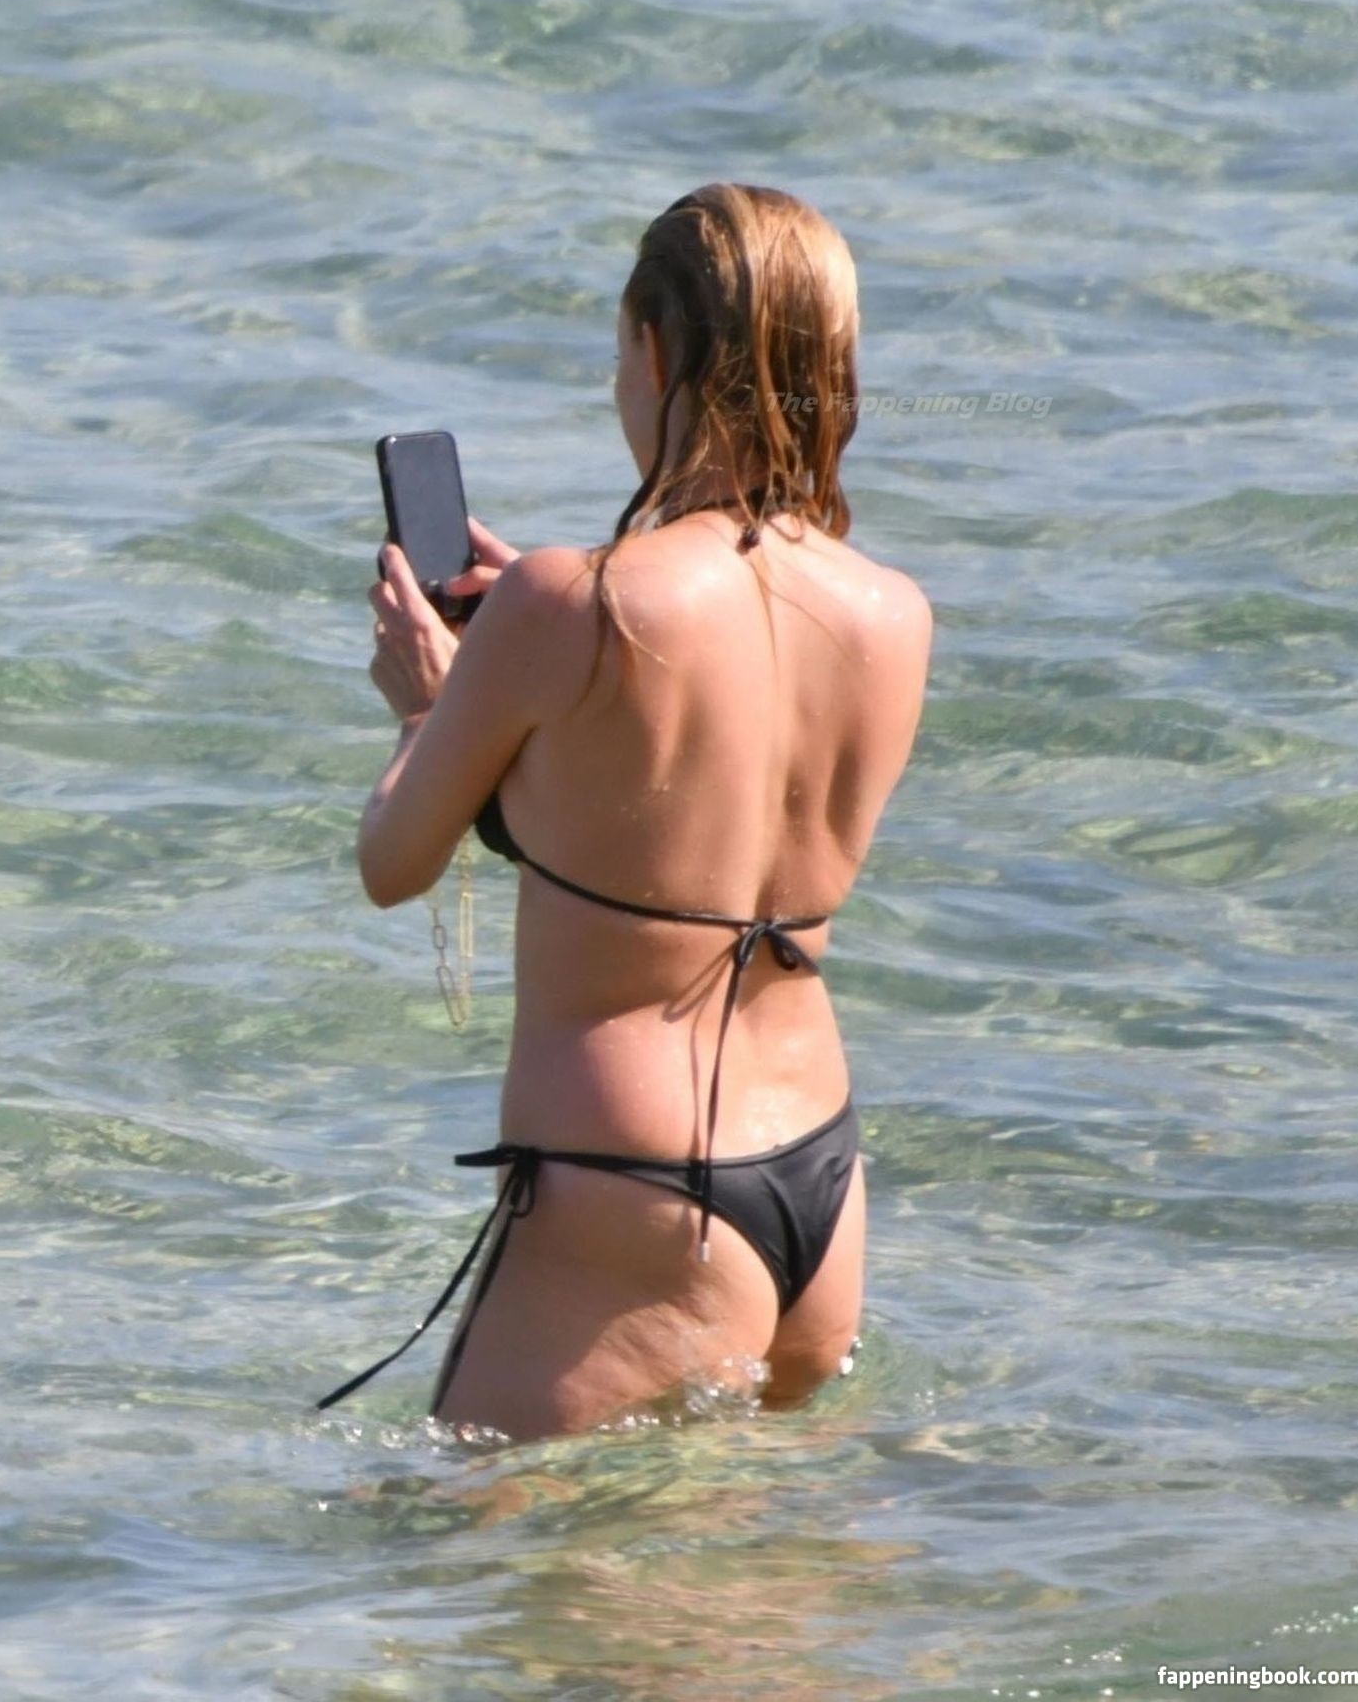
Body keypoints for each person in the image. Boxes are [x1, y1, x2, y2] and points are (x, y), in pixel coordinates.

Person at [332, 183, 933, 1444]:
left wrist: (429, 710)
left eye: (620, 351)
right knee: (765, 1562)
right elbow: (695, 809)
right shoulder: (893, 613)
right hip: (819, 1171)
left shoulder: (572, 605)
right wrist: (525, 661)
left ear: (655, 349)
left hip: (634, 1185)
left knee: (470, 1546)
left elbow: (395, 861)